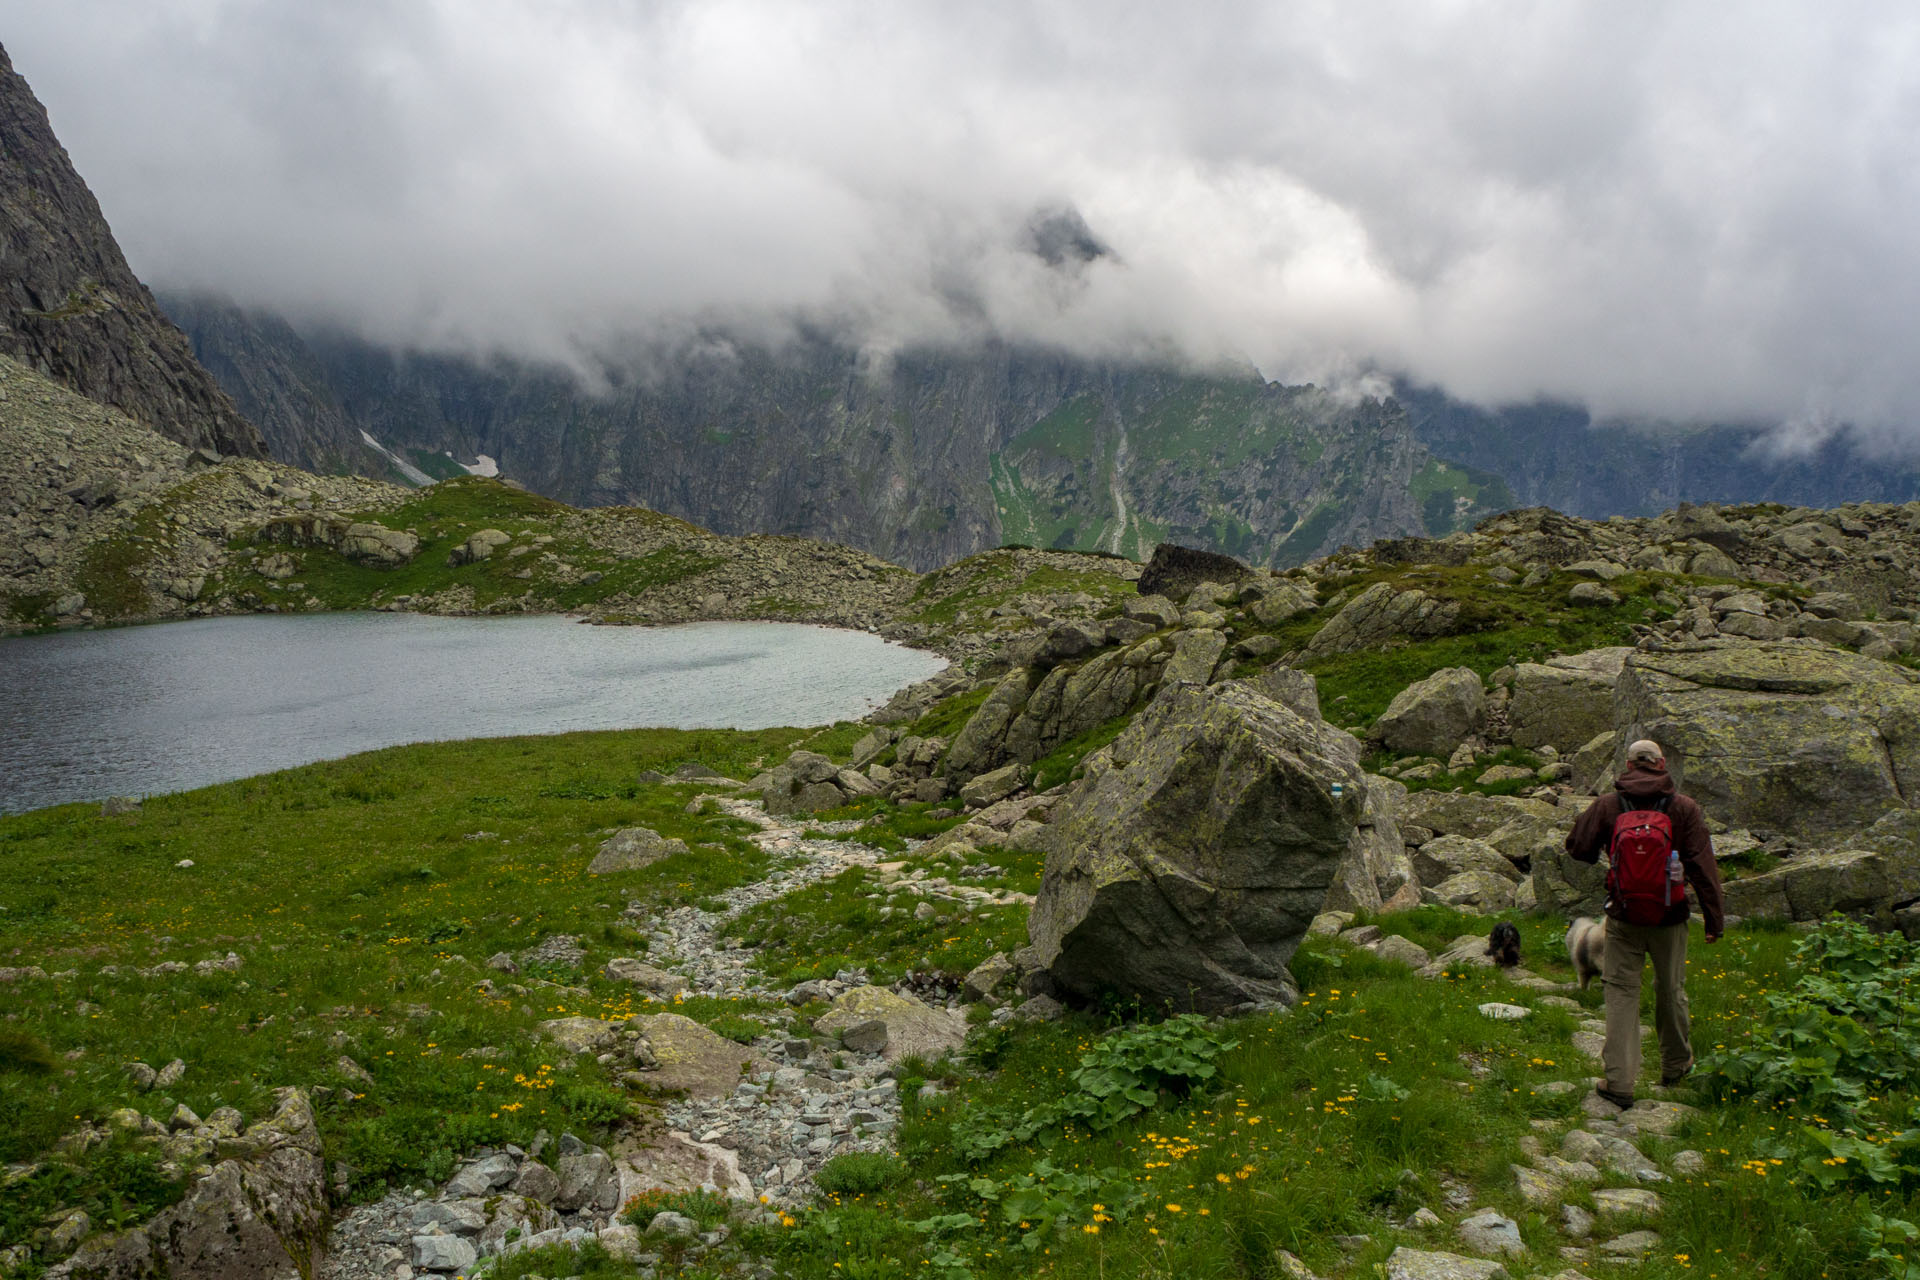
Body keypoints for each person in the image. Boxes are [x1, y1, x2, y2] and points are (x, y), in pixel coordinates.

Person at [1565, 738, 1725, 1109]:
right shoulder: (1684, 808)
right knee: (1670, 989)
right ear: (1661, 763)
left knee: (1621, 993)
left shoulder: (1609, 804)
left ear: (1629, 764)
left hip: (1623, 916)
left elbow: (1577, 848)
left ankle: (1619, 1082)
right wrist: (1714, 919)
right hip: (1671, 916)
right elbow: (1703, 867)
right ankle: (1675, 1066)